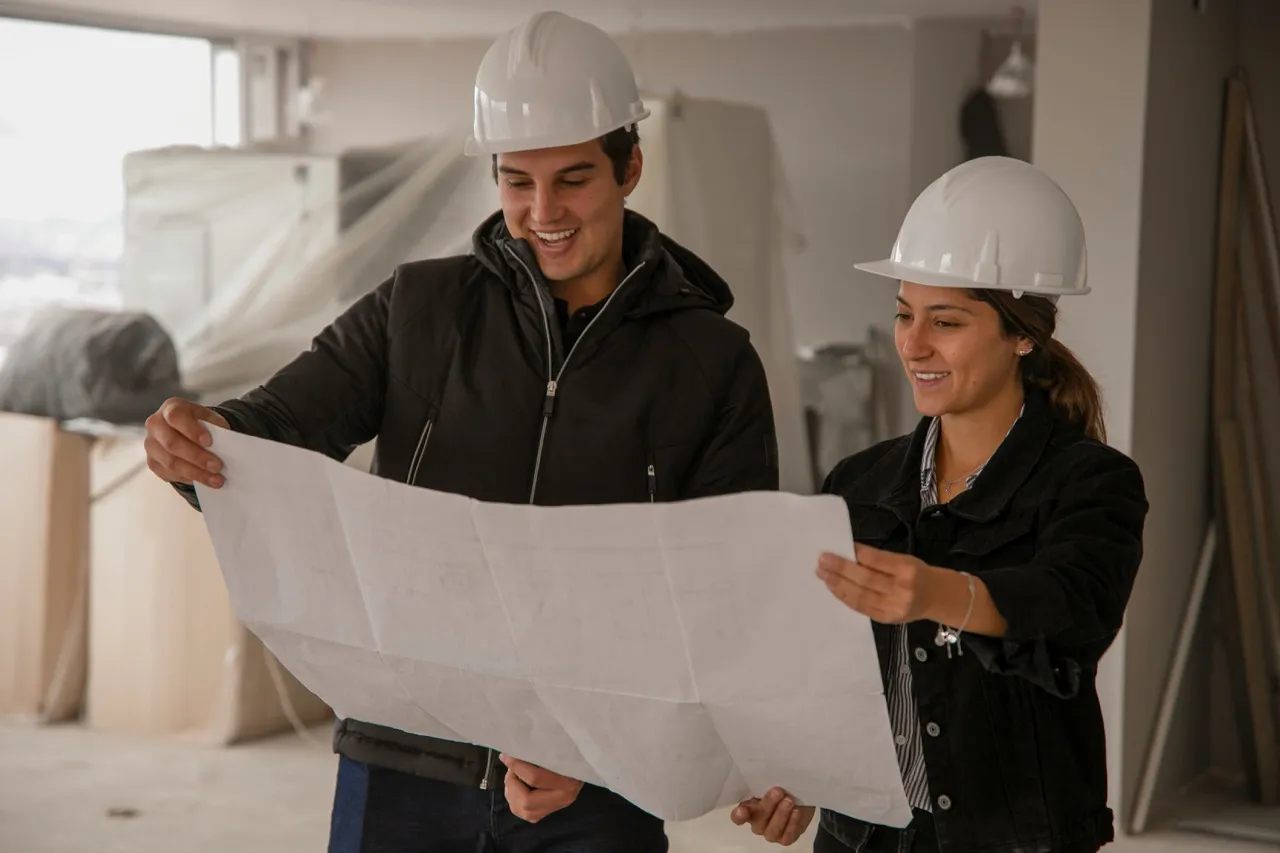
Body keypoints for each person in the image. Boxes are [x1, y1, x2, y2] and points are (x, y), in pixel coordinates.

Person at [143, 11, 779, 853]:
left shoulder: (713, 361)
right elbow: (271, 429)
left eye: (573, 179)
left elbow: (727, 593)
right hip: (403, 758)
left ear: (630, 166)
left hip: (594, 782)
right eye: (517, 181)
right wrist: (200, 439)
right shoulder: (417, 311)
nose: (542, 212)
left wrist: (620, 747)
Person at [730, 156, 1148, 852]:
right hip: (860, 834)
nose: (913, 344)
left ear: (1022, 333)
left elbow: (1073, 608)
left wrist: (943, 593)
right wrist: (795, 774)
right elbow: (822, 668)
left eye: (946, 321)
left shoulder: (1092, 481)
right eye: (903, 314)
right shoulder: (859, 482)